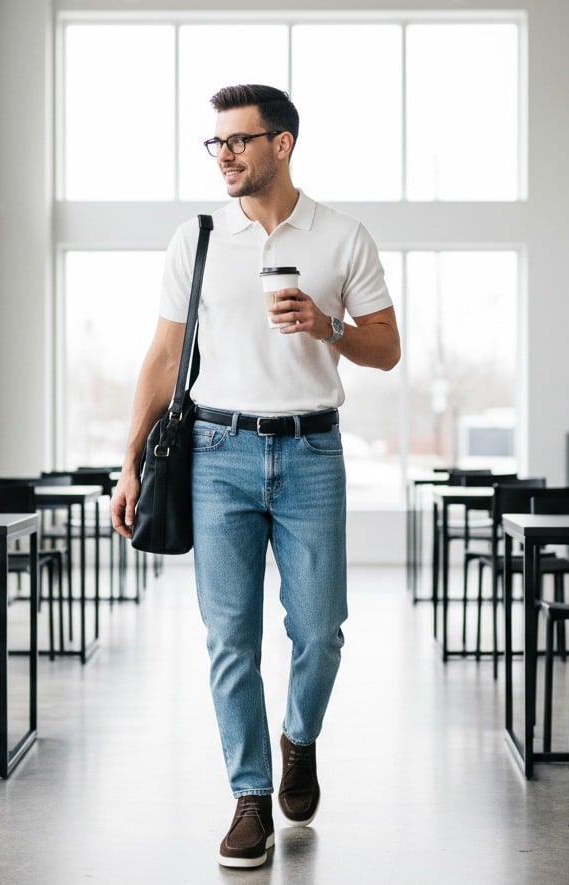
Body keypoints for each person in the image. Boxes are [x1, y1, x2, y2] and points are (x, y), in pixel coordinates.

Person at [111, 84, 400, 869]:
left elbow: (386, 347)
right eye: (217, 142)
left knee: (320, 630)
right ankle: (250, 795)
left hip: (312, 453)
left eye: (238, 140)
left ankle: (299, 737)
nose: (224, 155)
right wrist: (129, 461)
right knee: (229, 638)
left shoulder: (342, 236)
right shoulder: (198, 239)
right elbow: (163, 356)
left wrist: (328, 326)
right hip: (217, 454)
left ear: (282, 144)